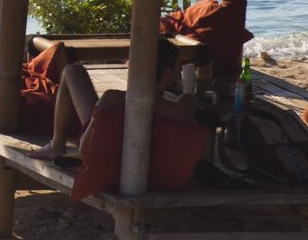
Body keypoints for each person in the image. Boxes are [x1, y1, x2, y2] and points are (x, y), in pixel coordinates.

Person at [43, 37, 210, 160]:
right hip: (108, 136)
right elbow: (186, 113)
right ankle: (56, 144)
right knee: (72, 71)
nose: (178, 72)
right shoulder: (172, 107)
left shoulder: (114, 99)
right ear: (166, 73)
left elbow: (87, 147)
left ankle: (56, 144)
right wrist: (188, 96)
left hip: (102, 138)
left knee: (71, 71)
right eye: (177, 68)